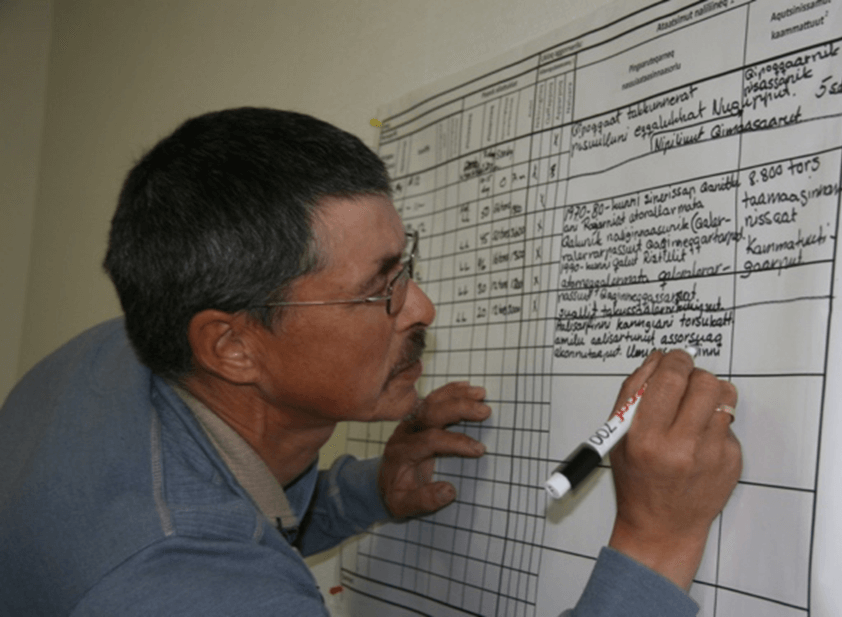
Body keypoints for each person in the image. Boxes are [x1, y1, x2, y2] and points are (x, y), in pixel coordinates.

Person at [0, 107, 741, 616]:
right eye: (377, 288)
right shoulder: (181, 583)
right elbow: (205, 556)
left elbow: (224, 501)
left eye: (404, 264)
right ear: (229, 344)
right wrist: (656, 539)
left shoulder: (115, 349)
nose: (420, 307)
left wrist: (364, 495)